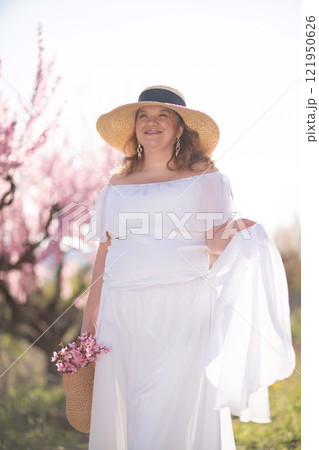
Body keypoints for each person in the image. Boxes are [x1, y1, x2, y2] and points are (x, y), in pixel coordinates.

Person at [81, 86, 296, 449]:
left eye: (163, 115)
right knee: (130, 407)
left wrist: (246, 233)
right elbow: (105, 251)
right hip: (120, 311)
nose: (152, 123)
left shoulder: (205, 176)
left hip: (181, 306)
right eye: (143, 116)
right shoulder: (116, 184)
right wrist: (90, 318)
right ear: (134, 128)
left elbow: (214, 241)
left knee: (169, 407)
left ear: (180, 128)